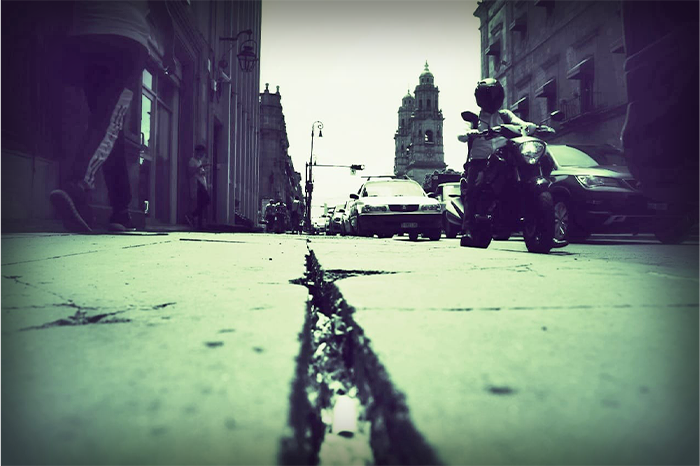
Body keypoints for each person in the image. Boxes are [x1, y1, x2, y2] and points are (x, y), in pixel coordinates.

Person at [49, 0, 175, 232]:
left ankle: (120, 210)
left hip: (84, 39)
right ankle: (76, 185)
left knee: (106, 123)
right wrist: (170, 51)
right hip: (125, 43)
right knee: (108, 121)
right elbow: (163, 13)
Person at [457, 78, 536, 247]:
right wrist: (469, 133)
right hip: (480, 161)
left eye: (494, 94)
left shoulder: (505, 115)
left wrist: (530, 126)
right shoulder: (475, 117)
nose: (492, 98)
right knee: (473, 191)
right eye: (488, 95)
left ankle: (533, 218)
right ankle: (468, 229)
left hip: (505, 156)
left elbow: (520, 124)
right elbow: (462, 133)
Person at [186, 144, 211, 229]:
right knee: (206, 200)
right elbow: (191, 172)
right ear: (196, 152)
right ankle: (192, 215)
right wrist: (200, 167)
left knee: (201, 204)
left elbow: (200, 173)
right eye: (200, 154)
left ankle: (198, 222)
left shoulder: (199, 162)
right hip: (197, 185)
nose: (201, 156)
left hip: (202, 184)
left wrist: (204, 170)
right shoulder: (192, 161)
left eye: (202, 154)